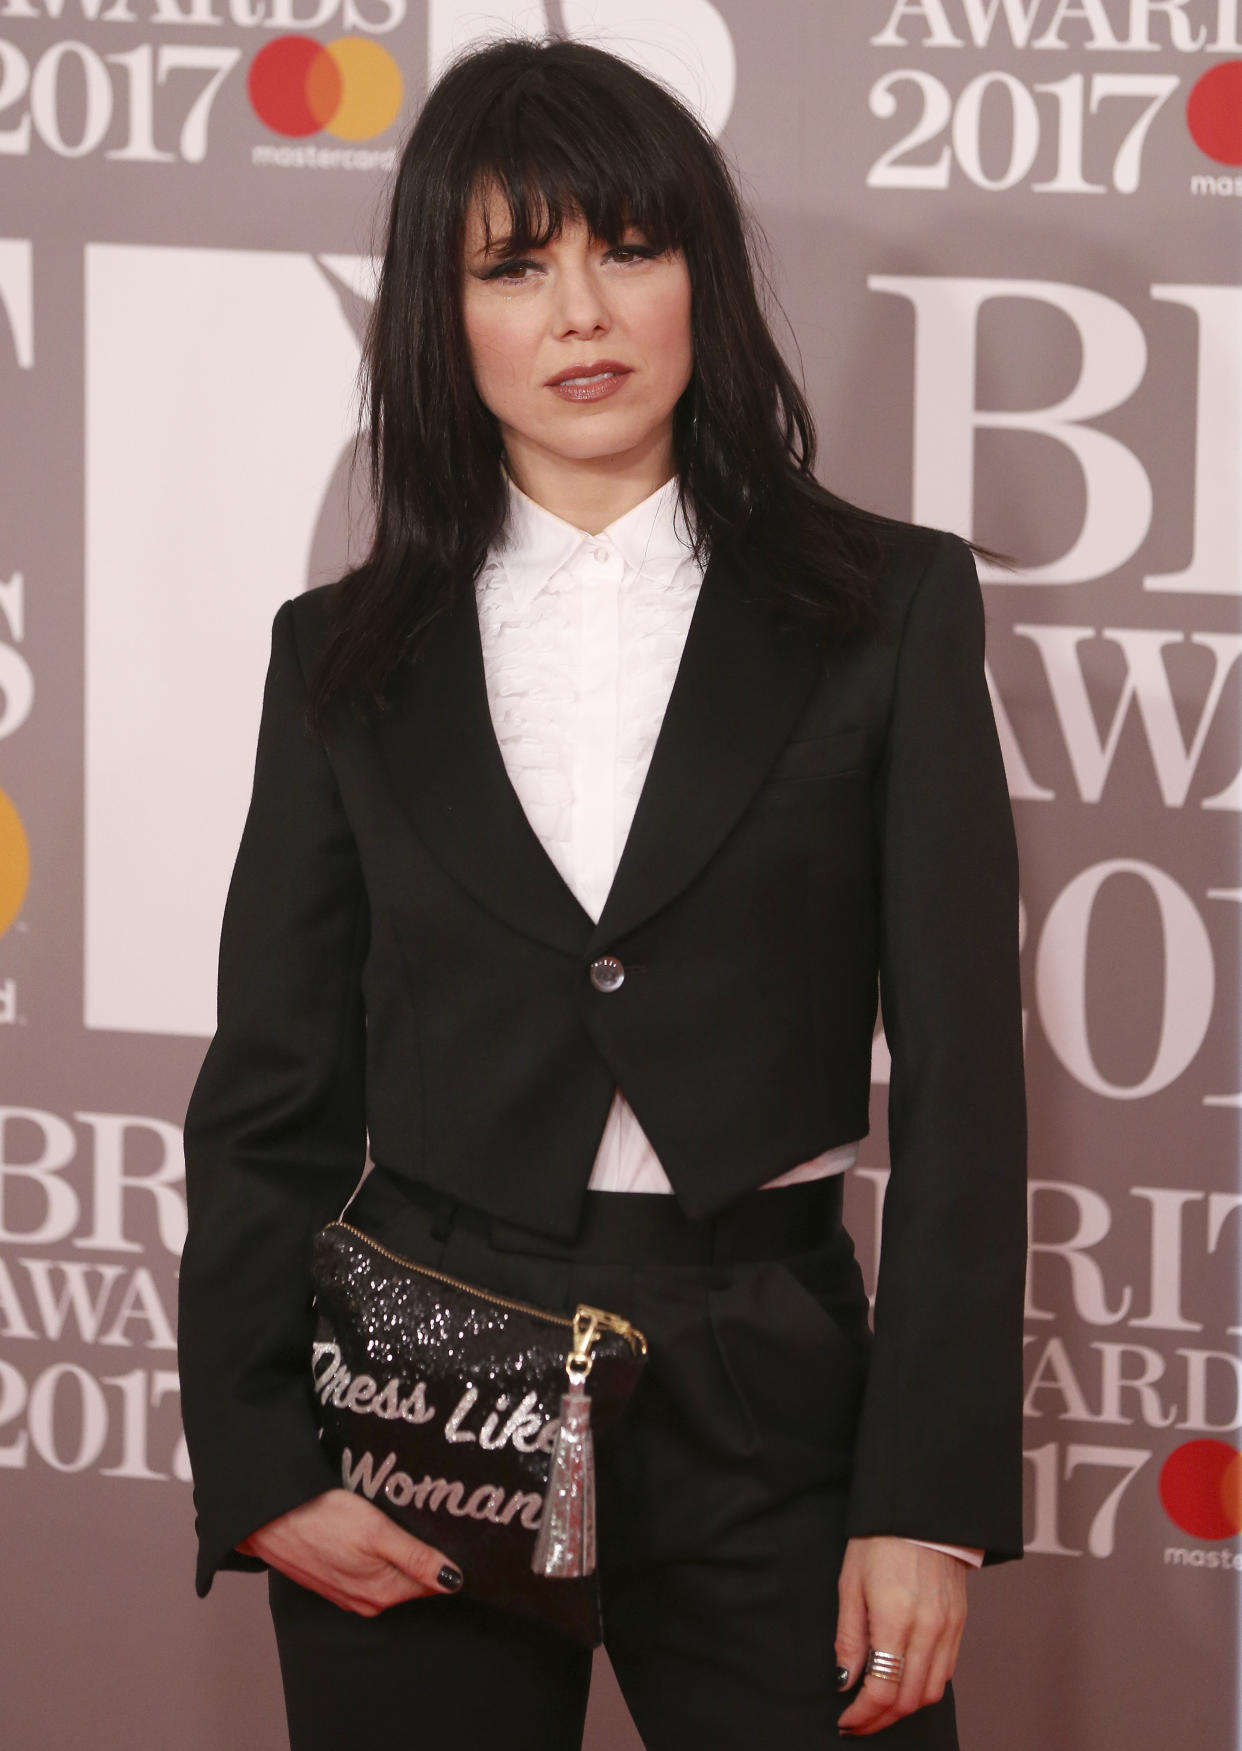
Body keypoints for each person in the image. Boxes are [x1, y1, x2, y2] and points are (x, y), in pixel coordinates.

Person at [177, 34, 1027, 1751]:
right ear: (441, 314)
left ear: (699, 277)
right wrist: (258, 1459)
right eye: (514, 265)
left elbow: (964, 1086)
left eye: (627, 249)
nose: (581, 313)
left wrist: (923, 1497)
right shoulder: (335, 655)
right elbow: (268, 1089)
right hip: (424, 1377)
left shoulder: (891, 607)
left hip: (767, 1383)